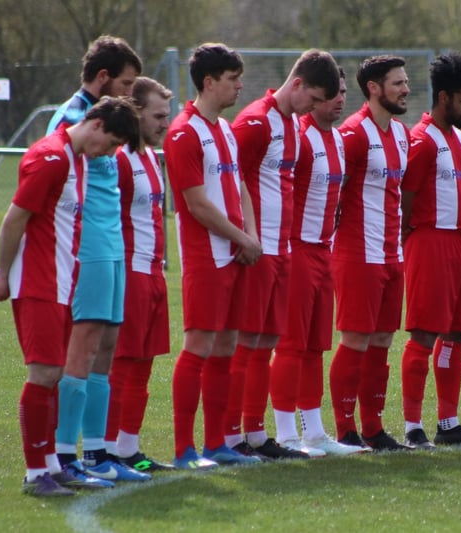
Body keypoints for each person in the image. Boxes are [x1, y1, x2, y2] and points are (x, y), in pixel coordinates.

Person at [0, 97, 140, 496]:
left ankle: (52, 464)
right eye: (112, 142)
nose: (111, 152)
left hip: (64, 282)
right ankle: (36, 473)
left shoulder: (76, 159)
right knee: (45, 373)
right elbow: (15, 218)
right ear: (97, 124)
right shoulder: (50, 158)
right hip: (39, 283)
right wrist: (4, 274)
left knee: (55, 375)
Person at [225, 49, 341, 460]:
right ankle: (230, 435)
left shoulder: (290, 124)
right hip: (256, 250)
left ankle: (258, 435)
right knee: (245, 342)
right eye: (312, 99)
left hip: (283, 250)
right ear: (298, 85)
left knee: (266, 340)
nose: (313, 108)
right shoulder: (255, 122)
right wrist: (244, 236)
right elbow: (228, 180)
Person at [46, 35, 151, 483]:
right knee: (83, 346)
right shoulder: (73, 120)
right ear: (104, 78)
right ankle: (64, 455)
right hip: (87, 247)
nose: (130, 93)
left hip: (112, 247)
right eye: (126, 84)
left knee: (106, 347)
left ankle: (99, 453)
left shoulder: (111, 122)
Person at [164, 43, 263, 469]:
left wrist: (251, 236)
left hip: (237, 252)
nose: (240, 86)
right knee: (199, 346)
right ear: (209, 82)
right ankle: (184, 449)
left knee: (227, 347)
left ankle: (216, 443)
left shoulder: (223, 130)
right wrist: (242, 237)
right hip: (207, 257)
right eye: (232, 79)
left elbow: (239, 186)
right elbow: (195, 203)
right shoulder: (184, 132)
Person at [264, 68, 366, 456]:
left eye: (342, 93)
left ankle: (315, 433)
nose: (339, 100)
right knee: (291, 345)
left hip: (326, 251)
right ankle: (287, 435)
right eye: (330, 94)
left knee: (314, 347)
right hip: (298, 248)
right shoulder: (299, 135)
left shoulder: (337, 140)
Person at [399, 52, 461, 449]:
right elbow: (406, 198)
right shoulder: (422, 141)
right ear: (444, 97)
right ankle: (412, 426)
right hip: (429, 241)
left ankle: (448, 422)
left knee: (456, 334)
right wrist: (412, 241)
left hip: (458, 244)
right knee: (424, 335)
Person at [329, 55, 413, 451]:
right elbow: (331, 194)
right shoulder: (353, 134)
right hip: (356, 254)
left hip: (391, 254)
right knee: (355, 341)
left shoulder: (401, 134)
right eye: (397, 83)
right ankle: (344, 429)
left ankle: (373, 428)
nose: (405, 89)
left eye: (406, 82)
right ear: (374, 88)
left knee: (381, 341)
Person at [104, 77, 175, 472]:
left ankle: (130, 450)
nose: (165, 123)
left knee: (145, 362)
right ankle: (108, 450)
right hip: (129, 271)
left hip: (154, 272)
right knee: (122, 364)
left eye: (167, 115)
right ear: (135, 113)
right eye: (158, 115)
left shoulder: (149, 156)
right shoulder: (121, 159)